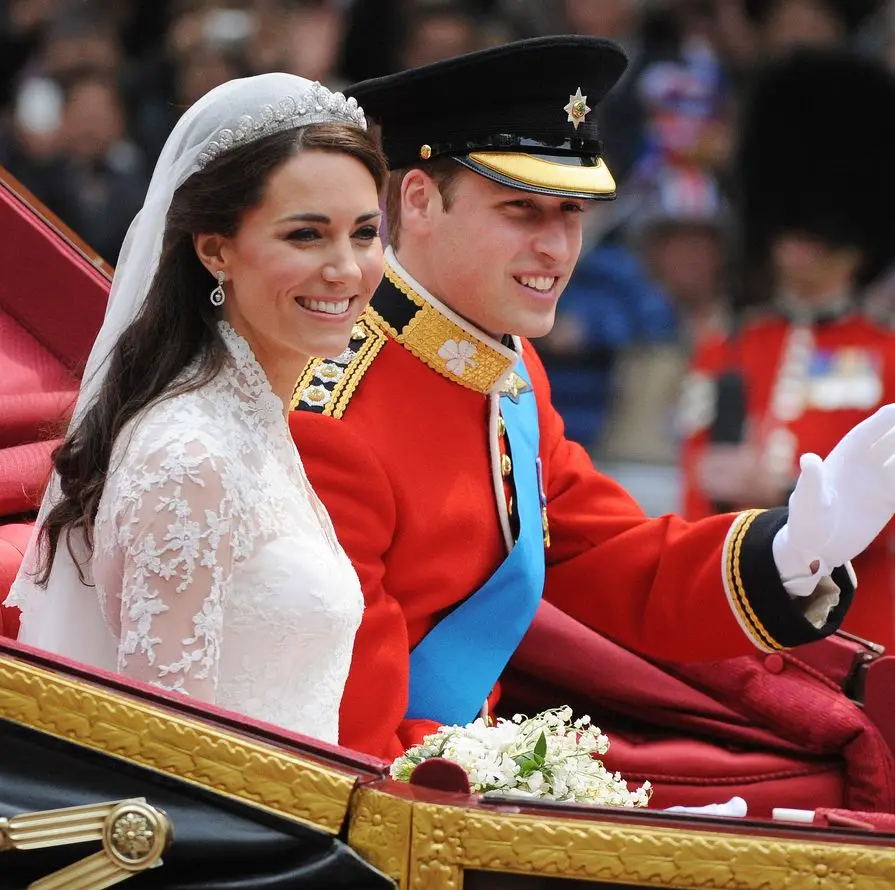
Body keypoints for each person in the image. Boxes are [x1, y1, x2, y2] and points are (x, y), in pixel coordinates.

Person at [289, 35, 895, 762]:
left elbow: (609, 556)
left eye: (571, 214)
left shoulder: (510, 371)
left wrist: (790, 548)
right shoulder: (333, 409)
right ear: (418, 201)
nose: (556, 247)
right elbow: (346, 735)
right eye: (521, 210)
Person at [5, 72, 387, 744]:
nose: (346, 269)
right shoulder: (190, 454)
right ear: (215, 249)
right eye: (305, 235)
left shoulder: (249, 419)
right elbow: (169, 758)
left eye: (363, 233)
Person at [681, 48, 895, 650]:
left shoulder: (886, 353)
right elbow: (697, 493)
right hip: (742, 618)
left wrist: (783, 496)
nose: (798, 241)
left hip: (862, 629)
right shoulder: (726, 347)